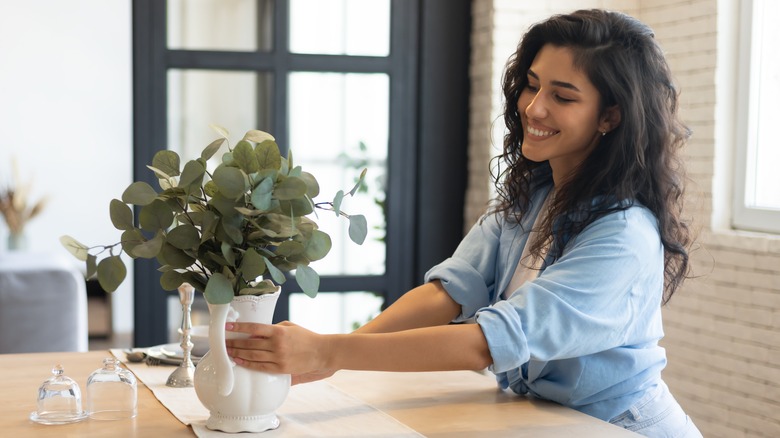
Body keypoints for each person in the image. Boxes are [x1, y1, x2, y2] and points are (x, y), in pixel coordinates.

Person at [225, 9, 702, 437]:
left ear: (610, 116)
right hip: (545, 417)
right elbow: (449, 292)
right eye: (532, 84)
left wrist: (330, 352)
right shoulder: (532, 196)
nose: (534, 107)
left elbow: (488, 342)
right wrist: (336, 356)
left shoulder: (624, 236)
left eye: (563, 96)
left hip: (621, 427)